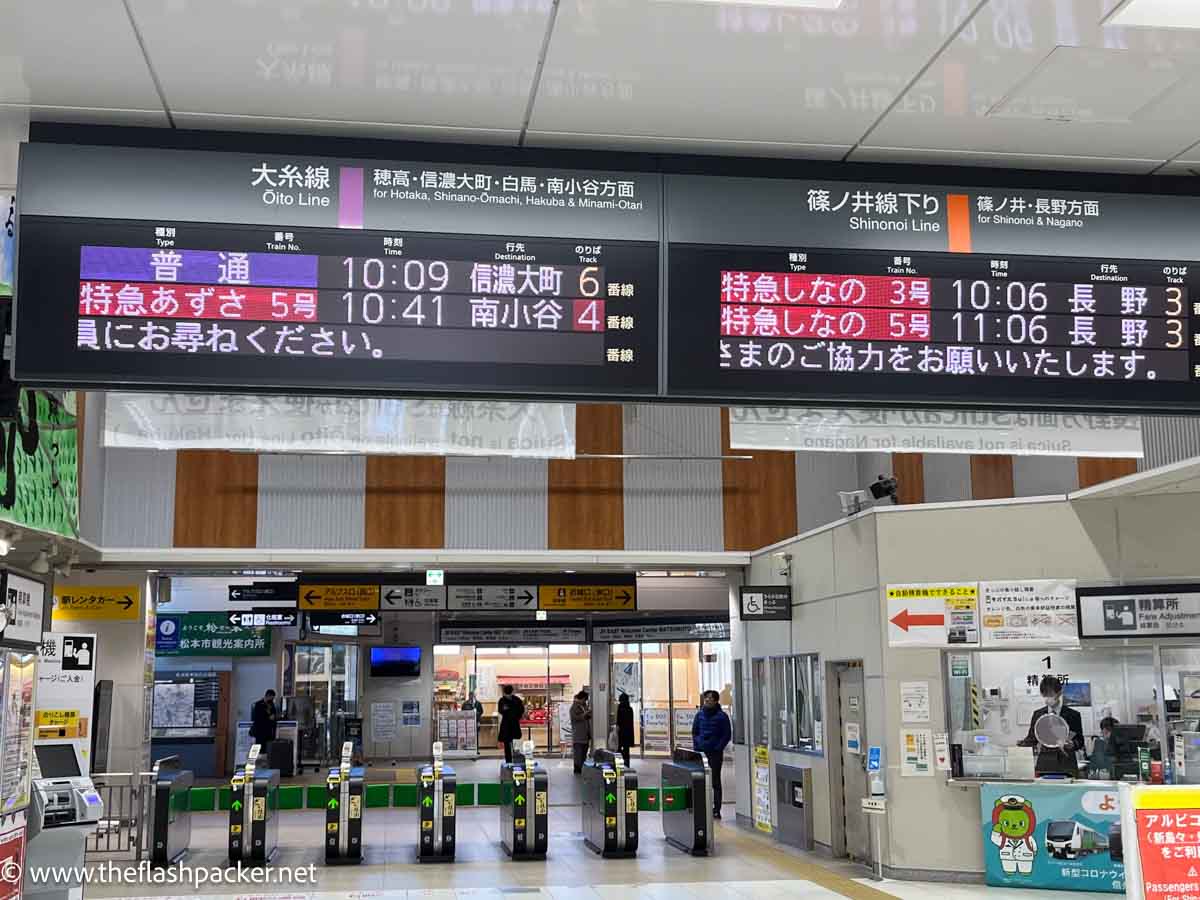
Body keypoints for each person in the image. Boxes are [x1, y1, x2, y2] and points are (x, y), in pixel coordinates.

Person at [1018, 676, 1084, 777]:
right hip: (1045, 763)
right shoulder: (1038, 714)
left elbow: (1080, 740)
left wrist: (1073, 744)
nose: (1048, 698)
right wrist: (1021, 744)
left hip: (1067, 764)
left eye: (1051, 694)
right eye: (1045, 695)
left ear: (1059, 693)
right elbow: (1032, 739)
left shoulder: (1073, 715)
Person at [692, 690, 732, 819]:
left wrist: (717, 748)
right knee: (700, 781)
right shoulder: (699, 715)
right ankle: (702, 807)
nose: (707, 700)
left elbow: (726, 735)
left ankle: (716, 809)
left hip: (715, 754)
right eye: (706, 698)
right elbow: (695, 732)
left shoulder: (722, 716)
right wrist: (697, 745)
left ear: (716, 700)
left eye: (710, 698)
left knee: (715, 781)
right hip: (701, 753)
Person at [497, 684, 525, 764]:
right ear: (512, 691)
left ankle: (509, 761)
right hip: (514, 724)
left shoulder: (502, 700)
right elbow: (521, 710)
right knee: (514, 742)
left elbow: (500, 711)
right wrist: (517, 717)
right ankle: (515, 760)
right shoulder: (517, 700)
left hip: (506, 724)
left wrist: (507, 712)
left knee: (507, 744)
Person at [570, 690, 593, 774]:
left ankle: (582, 768)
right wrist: (585, 714)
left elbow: (587, 717)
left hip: (585, 735)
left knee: (584, 753)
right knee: (578, 755)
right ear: (582, 698)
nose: (585, 701)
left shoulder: (584, 706)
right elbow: (576, 718)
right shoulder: (574, 707)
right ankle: (577, 769)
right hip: (578, 735)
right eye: (585, 700)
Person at [616, 693, 635, 768]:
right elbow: (630, 722)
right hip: (628, 733)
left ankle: (619, 766)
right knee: (626, 750)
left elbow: (618, 721)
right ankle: (627, 765)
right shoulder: (630, 709)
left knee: (619, 749)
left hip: (621, 733)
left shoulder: (619, 708)